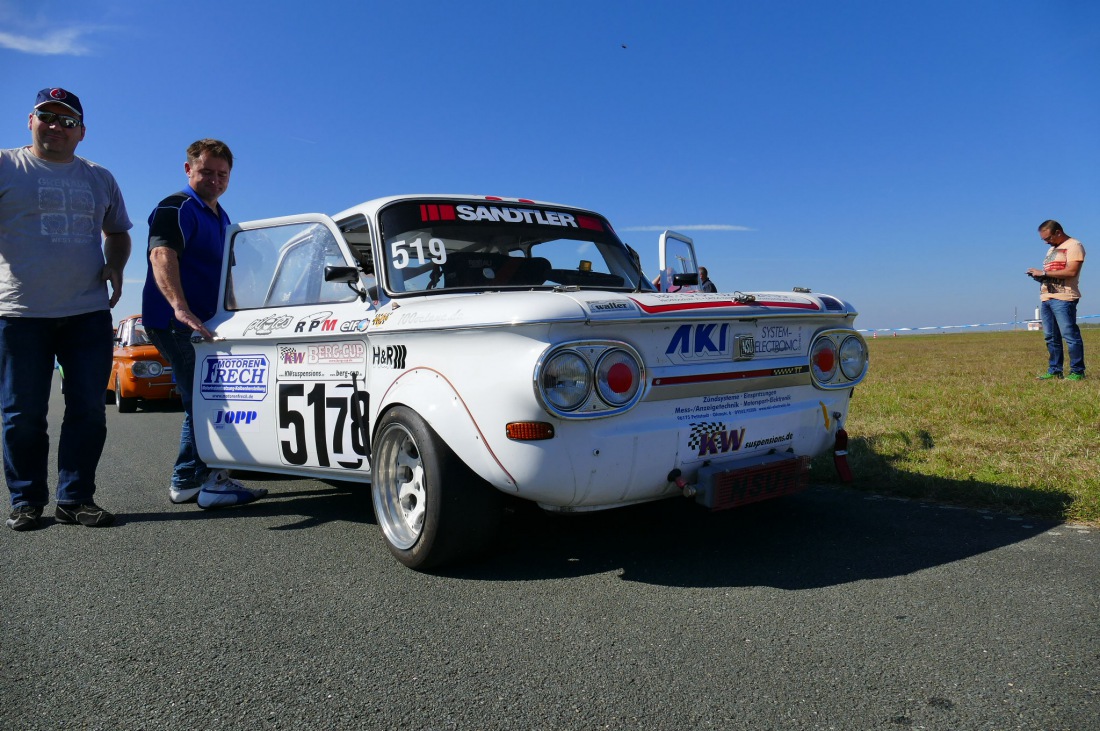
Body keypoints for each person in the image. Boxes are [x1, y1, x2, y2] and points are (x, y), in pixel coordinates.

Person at [0, 88, 132, 531]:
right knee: (22, 414)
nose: (55, 126)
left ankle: (75, 498)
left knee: (89, 410)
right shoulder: (6, 166)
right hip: (20, 314)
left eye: (67, 120)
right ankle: (26, 501)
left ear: (82, 132)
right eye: (47, 116)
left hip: (87, 314)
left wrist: (115, 264)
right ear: (30, 120)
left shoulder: (100, 177)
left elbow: (118, 231)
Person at [142, 139, 267, 509]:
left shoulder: (222, 216)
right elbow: (161, 253)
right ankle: (198, 479)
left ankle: (197, 478)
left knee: (205, 397)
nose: (215, 179)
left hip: (207, 324)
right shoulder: (175, 207)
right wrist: (180, 307)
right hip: (176, 321)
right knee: (206, 398)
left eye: (222, 174)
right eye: (206, 172)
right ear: (188, 170)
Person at [1026, 220, 1086, 380]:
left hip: (1064, 297)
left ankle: (1077, 371)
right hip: (1047, 297)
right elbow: (1051, 273)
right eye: (1043, 239)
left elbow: (1072, 271)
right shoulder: (1052, 250)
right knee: (1051, 337)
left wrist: (1044, 274)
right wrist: (1039, 277)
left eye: (1048, 238)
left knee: (1069, 335)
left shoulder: (1074, 246)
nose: (1046, 242)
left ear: (1058, 232)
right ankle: (1055, 370)